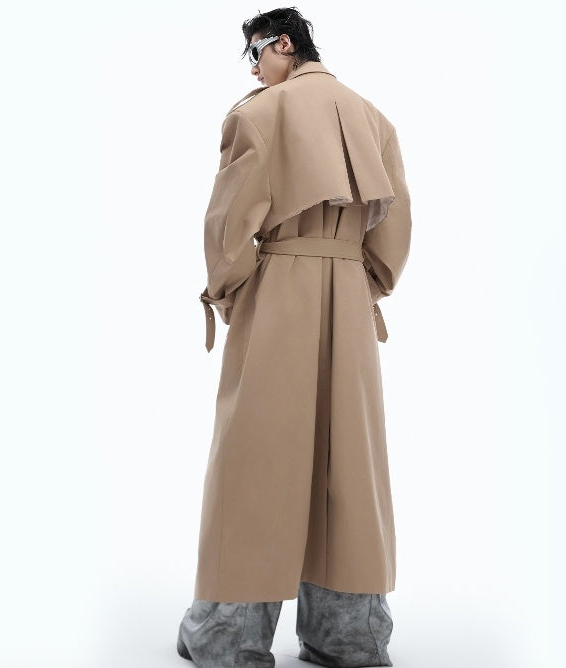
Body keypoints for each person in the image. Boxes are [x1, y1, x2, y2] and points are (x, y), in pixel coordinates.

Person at [176, 7, 412, 667]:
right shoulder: (374, 119)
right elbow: (394, 231)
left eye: (255, 53)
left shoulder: (257, 115)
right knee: (350, 463)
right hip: (350, 294)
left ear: (284, 42)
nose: (253, 70)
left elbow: (229, 227)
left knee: (256, 455)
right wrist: (361, 285)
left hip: (278, 288)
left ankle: (231, 636)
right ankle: (350, 636)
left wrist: (232, 292)